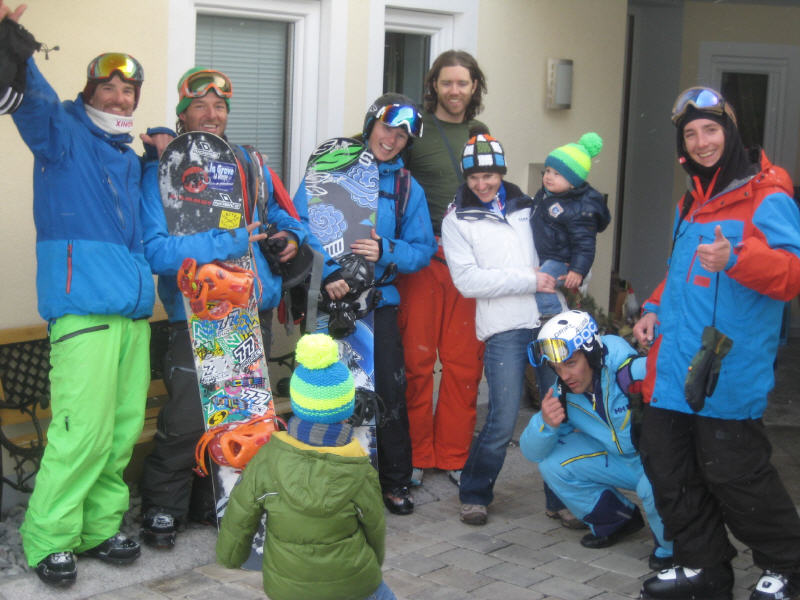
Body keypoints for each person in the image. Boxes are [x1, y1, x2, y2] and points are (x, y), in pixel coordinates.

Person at [1, 2, 155, 587]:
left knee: (117, 434)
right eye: (107, 87)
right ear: (89, 92)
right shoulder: (62, 131)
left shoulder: (128, 159)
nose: (117, 98)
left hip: (132, 318)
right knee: (80, 432)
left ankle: (97, 528)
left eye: (127, 91)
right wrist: (9, 37)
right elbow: (31, 96)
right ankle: (49, 538)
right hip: (84, 314)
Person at [634, 86, 800, 600]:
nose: (702, 142)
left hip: (727, 368)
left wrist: (738, 258)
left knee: (735, 473)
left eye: (711, 130)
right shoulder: (692, 200)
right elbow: (679, 272)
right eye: (691, 134)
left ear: (730, 133)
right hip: (674, 365)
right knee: (669, 468)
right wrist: (653, 307)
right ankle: (702, 566)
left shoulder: (767, 195)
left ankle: (788, 566)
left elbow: (791, 275)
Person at [138, 67, 305, 548]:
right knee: (188, 418)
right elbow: (157, 251)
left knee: (242, 419)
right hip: (197, 314)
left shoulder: (248, 164)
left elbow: (277, 214)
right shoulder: (163, 172)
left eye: (219, 106)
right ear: (183, 113)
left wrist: (289, 237)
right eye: (200, 106)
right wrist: (226, 241)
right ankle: (163, 508)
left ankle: (217, 501)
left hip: (250, 309)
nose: (211, 114)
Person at [293, 93, 436, 514]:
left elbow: (422, 249)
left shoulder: (406, 187)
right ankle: (321, 476)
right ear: (371, 123)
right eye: (387, 128)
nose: (391, 140)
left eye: (402, 136)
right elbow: (299, 224)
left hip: (378, 302)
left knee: (388, 391)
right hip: (328, 299)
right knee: (326, 388)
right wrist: (329, 273)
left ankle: (394, 480)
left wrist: (386, 249)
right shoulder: (331, 165)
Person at [216, 333, 396, 600]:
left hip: (287, 587)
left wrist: (230, 556)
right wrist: (374, 561)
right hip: (352, 584)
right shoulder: (359, 467)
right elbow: (375, 526)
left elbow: (240, 514)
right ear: (346, 410)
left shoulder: (267, 459)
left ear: (297, 403)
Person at [441, 130, 557, 525]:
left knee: (560, 411)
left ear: (502, 173)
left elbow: (557, 252)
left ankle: (561, 498)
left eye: (489, 175)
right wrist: (529, 278)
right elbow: (468, 281)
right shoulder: (457, 219)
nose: (482, 184)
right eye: (474, 177)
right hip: (504, 326)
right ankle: (474, 494)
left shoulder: (531, 206)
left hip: (550, 322)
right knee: (503, 419)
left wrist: (574, 273)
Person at [396, 50, 488, 488]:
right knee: (416, 362)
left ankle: (453, 455)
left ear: (474, 87)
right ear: (434, 84)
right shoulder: (415, 128)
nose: (454, 90)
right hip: (423, 259)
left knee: (463, 364)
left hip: (469, 262)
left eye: (462, 83)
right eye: (447, 82)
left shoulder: (480, 133)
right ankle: (415, 454)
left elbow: (491, 191)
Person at [520, 310, 673, 570]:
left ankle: (672, 549)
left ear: (591, 353)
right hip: (621, 462)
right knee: (552, 464)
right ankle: (617, 521)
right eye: (557, 367)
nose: (564, 375)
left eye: (570, 363)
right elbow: (531, 452)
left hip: (659, 459)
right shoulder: (563, 393)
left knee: (652, 485)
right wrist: (546, 424)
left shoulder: (631, 372)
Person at [531, 132, 611, 316]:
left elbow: (585, 244)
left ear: (573, 182)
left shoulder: (580, 209)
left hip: (562, 261)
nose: (549, 177)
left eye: (557, 174)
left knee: (542, 282)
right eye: (548, 171)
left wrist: (577, 270)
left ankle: (553, 317)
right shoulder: (545, 195)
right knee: (535, 279)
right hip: (546, 257)